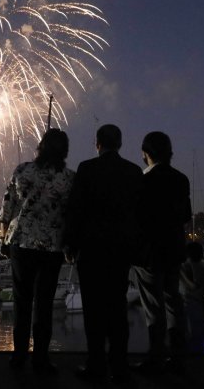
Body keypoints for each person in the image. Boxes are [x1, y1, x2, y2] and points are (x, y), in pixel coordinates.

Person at [63, 124, 142, 383]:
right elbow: (139, 214)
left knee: (93, 310)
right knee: (117, 307)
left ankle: (95, 363)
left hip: (91, 249)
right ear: (120, 143)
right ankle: (119, 365)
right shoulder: (133, 172)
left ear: (97, 143)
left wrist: (70, 246)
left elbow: (75, 211)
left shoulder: (87, 169)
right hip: (120, 250)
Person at [0, 128, 75, 376]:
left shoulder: (23, 170)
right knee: (44, 303)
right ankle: (40, 358)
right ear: (64, 151)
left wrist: (4, 239)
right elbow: (70, 215)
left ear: (41, 146)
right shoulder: (69, 178)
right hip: (52, 245)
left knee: (22, 300)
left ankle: (18, 355)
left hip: (21, 242)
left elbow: (8, 206)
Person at [131, 131, 191, 375]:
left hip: (149, 253)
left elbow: (137, 217)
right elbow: (185, 215)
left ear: (145, 154)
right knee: (173, 300)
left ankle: (155, 357)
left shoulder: (142, 181)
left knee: (153, 306)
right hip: (174, 249)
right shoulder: (181, 179)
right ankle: (177, 355)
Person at [179, 242, 204, 353]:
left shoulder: (187, 267)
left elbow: (192, 286)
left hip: (190, 303)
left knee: (193, 335)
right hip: (201, 303)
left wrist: (180, 273)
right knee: (200, 334)